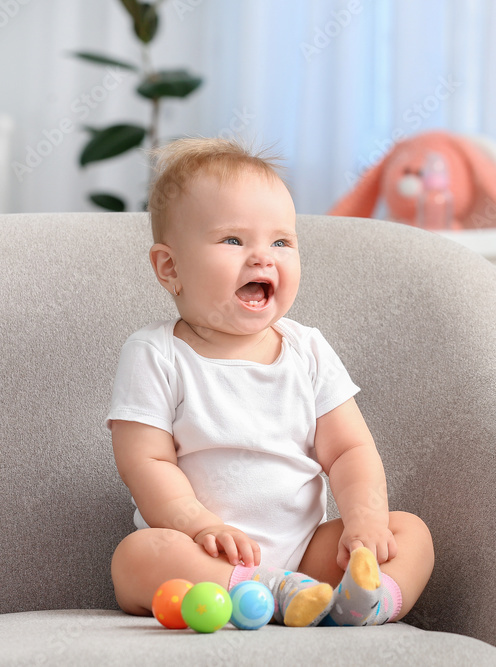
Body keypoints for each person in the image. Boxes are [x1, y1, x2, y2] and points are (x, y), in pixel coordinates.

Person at [106, 137, 434, 627]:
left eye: (281, 242)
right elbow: (144, 461)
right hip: (211, 560)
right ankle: (269, 594)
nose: (263, 257)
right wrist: (200, 526)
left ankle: (367, 599)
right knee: (138, 557)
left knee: (410, 532)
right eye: (234, 240)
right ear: (170, 267)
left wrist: (364, 523)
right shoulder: (156, 354)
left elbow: (349, 451)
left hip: (308, 556)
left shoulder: (308, 351)